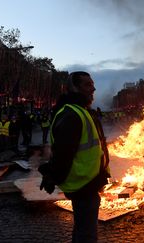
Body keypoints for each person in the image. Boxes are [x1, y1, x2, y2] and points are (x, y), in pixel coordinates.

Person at [38, 71, 111, 243]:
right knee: (86, 235)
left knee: (83, 231)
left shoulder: (80, 111)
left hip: (88, 181)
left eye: (92, 84)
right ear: (74, 88)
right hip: (83, 184)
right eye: (87, 84)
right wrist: (52, 175)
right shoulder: (71, 114)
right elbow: (63, 152)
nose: (93, 88)